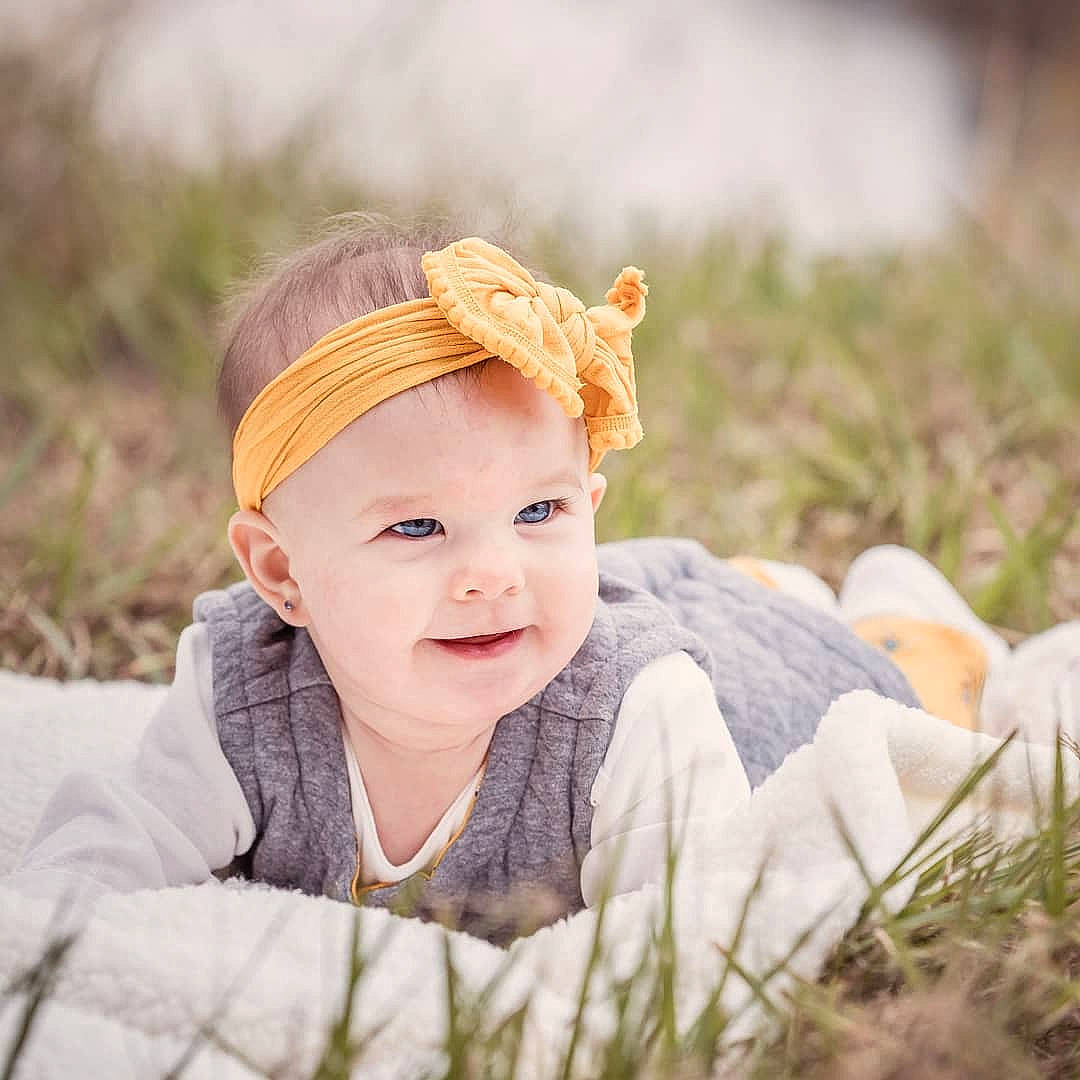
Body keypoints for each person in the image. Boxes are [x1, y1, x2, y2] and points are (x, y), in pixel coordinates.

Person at [10, 215, 1015, 944]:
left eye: (541, 510)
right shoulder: (242, 690)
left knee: (906, 690)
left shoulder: (636, 712)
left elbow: (686, 940)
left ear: (588, 499)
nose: (492, 574)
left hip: (750, 688)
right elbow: (110, 843)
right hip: (629, 607)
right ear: (283, 573)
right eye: (416, 526)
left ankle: (887, 608)